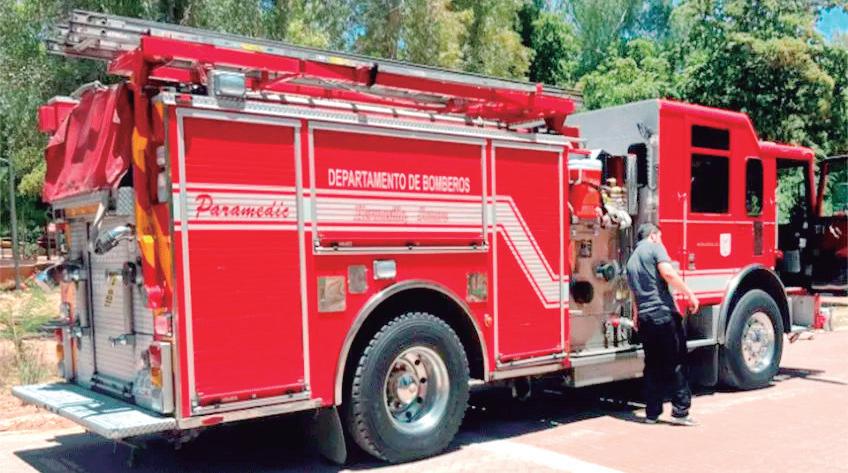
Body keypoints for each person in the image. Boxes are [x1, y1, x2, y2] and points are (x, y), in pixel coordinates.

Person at [625, 223, 699, 426]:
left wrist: (636, 316)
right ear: (653, 235)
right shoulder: (654, 247)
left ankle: (652, 413)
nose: (661, 240)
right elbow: (668, 273)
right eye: (660, 237)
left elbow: (634, 292)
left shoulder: (631, 260)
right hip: (663, 313)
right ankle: (680, 411)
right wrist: (689, 294)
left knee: (652, 365)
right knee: (676, 362)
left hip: (645, 318)